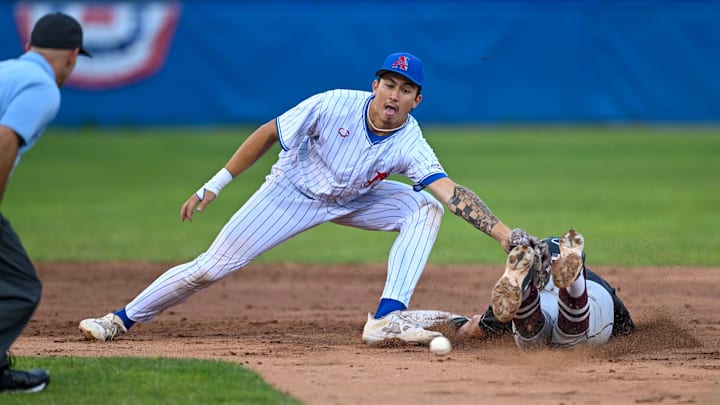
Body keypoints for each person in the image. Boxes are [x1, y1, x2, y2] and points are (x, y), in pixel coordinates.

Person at [79, 51, 528, 345]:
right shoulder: (332, 104)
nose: (395, 94)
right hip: (290, 193)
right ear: (375, 85)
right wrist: (215, 183)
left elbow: (451, 193)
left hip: (355, 199)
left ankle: (387, 317)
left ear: (417, 99)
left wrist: (506, 236)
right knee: (210, 268)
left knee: (425, 206)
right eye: (389, 84)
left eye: (405, 89)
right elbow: (269, 132)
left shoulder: (411, 141)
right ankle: (119, 319)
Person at [0, 12, 91, 393]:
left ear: (27, 47)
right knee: (21, 288)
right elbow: (5, 141)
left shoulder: (7, 70)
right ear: (72, 56)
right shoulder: (42, 87)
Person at [455, 229, 635, 348]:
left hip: (542, 298)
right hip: (592, 299)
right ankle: (576, 284)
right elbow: (625, 328)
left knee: (531, 341)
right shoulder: (598, 281)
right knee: (572, 337)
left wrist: (463, 325)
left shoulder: (510, 293)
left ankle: (526, 297)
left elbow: (474, 331)